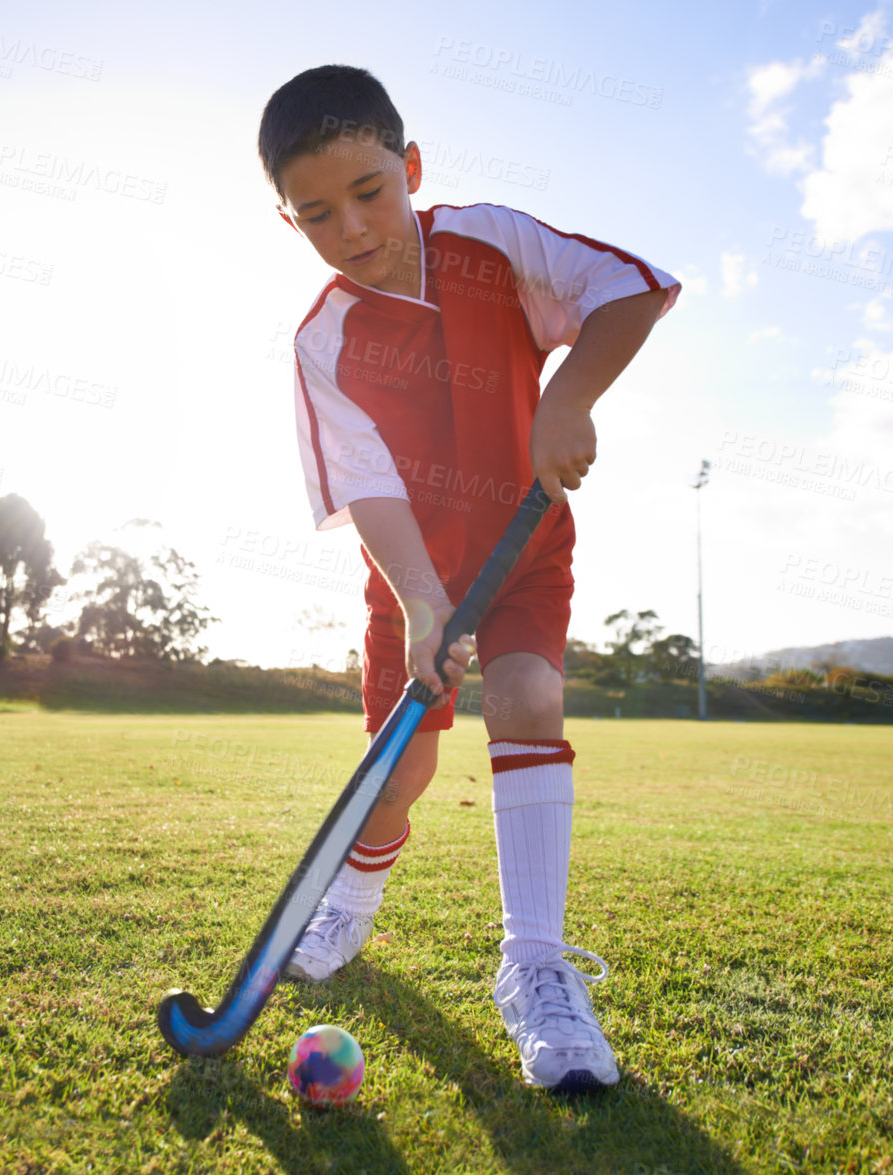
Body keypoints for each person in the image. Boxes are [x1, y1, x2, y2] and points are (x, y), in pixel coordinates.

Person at [258, 65, 679, 1092]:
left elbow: (627, 291)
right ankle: (350, 906)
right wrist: (421, 600)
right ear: (290, 218)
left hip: (523, 539)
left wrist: (566, 397)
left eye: (368, 190)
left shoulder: (490, 240)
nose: (351, 227)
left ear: (409, 166)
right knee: (401, 771)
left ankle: (536, 966)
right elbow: (366, 488)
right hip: (416, 572)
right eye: (317, 213)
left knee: (530, 695)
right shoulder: (323, 340)